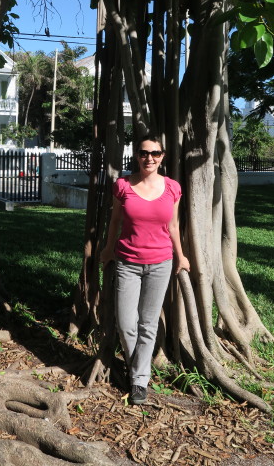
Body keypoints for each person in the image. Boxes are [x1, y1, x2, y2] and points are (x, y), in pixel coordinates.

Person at [100, 135, 190, 405]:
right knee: (127, 323)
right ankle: (136, 365)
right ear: (136, 155)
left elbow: (173, 226)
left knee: (148, 324)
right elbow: (115, 220)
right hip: (127, 262)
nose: (149, 158)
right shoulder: (123, 185)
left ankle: (139, 380)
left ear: (163, 156)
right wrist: (107, 249)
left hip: (160, 263)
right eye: (144, 153)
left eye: (155, 153)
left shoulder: (173, 188)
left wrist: (181, 256)